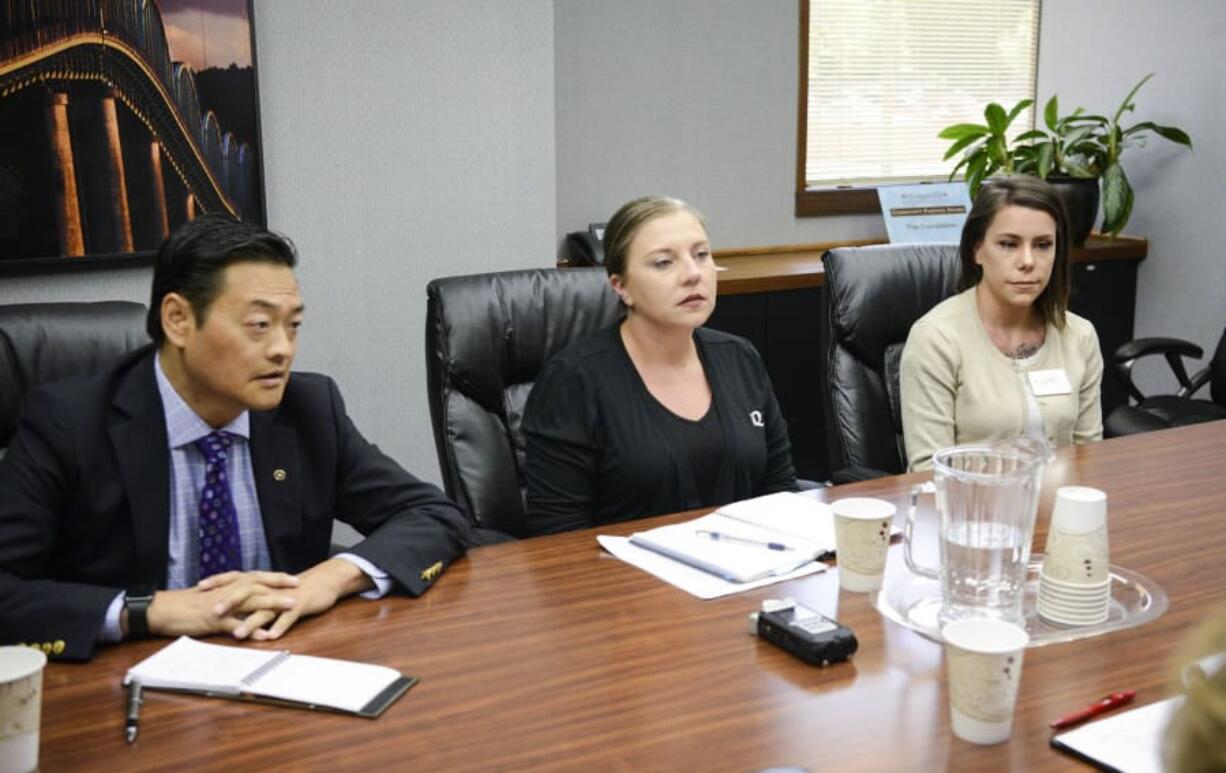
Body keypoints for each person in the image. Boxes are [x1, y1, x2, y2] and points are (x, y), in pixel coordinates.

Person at [0, 214, 473, 661]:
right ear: (178, 320)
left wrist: (328, 579)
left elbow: (432, 514)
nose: (282, 349)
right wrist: (150, 610)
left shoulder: (310, 410)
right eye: (259, 326)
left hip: (284, 669)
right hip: (128, 686)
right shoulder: (71, 423)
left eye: (293, 326)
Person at [522, 196, 796, 535]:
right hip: (623, 581)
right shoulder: (573, 380)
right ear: (621, 287)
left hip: (746, 572)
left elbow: (779, 489)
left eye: (701, 255)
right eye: (664, 262)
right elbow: (559, 534)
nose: (693, 274)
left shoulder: (739, 357)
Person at [900, 176, 1103, 471]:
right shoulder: (935, 339)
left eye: (1044, 245)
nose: (1028, 261)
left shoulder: (1079, 336)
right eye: (1009, 244)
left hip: (1059, 511)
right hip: (969, 512)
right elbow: (929, 473)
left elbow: (1091, 458)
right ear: (977, 250)